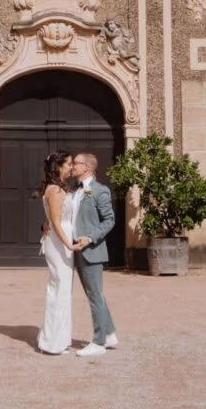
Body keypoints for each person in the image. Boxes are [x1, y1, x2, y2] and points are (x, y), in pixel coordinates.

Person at [36, 150, 86, 355]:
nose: (70, 167)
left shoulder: (54, 188)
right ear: (58, 167)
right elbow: (56, 221)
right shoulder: (55, 190)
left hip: (58, 240)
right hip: (59, 243)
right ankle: (51, 342)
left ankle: (58, 339)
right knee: (59, 289)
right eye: (67, 164)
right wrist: (69, 245)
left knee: (61, 290)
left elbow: (49, 219)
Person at [68, 152, 118, 357]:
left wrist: (89, 238)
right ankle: (110, 334)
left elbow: (109, 220)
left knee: (95, 296)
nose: (72, 167)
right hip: (75, 249)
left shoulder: (100, 191)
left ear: (87, 167)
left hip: (92, 250)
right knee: (95, 294)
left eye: (76, 164)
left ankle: (98, 343)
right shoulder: (74, 191)